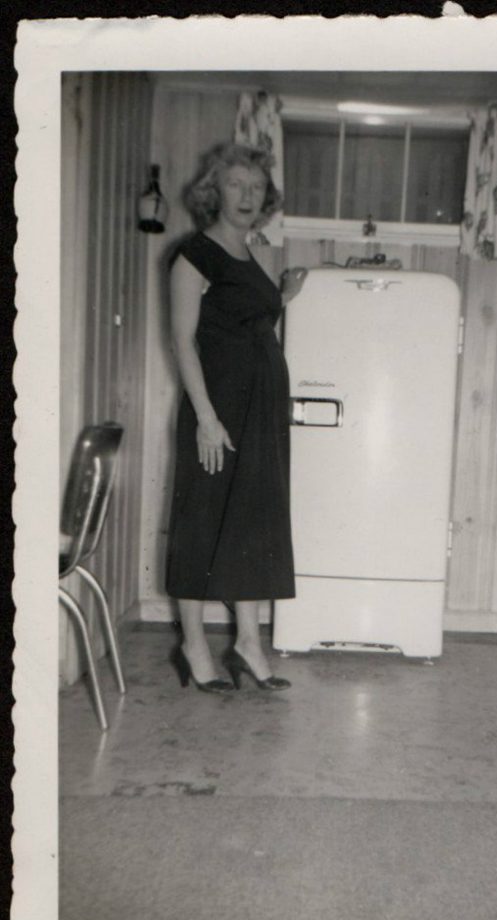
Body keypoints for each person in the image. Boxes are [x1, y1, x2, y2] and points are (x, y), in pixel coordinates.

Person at [165, 142, 306, 694]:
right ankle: (195, 646)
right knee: (202, 521)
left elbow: (242, 322)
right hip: (215, 411)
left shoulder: (249, 255)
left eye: (256, 187)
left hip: (259, 414)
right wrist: (205, 416)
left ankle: (248, 641)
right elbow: (183, 341)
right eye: (235, 185)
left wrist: (282, 296)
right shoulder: (194, 255)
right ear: (213, 193)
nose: (248, 197)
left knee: (251, 521)